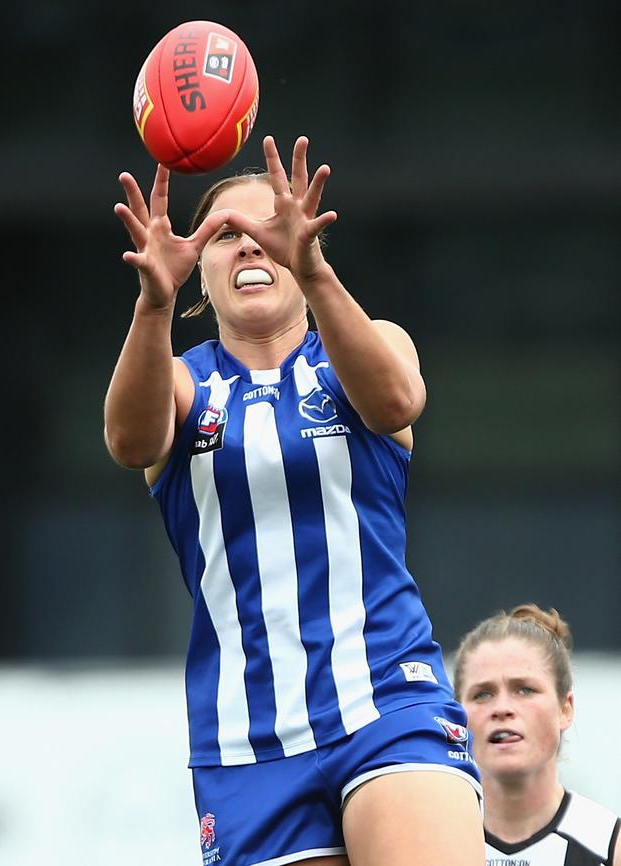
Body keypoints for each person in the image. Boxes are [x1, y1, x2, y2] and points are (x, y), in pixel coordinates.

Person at [104, 134, 485, 866]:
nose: (250, 248)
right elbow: (129, 440)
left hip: (387, 699)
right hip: (248, 739)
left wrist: (315, 272)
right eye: (224, 236)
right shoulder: (184, 384)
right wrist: (152, 305)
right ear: (198, 273)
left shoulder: (365, 348)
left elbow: (399, 398)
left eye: (269, 232)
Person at [453, 603, 621, 866]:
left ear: (565, 709)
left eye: (524, 690)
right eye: (482, 694)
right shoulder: (426, 839)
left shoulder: (609, 845)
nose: (502, 709)